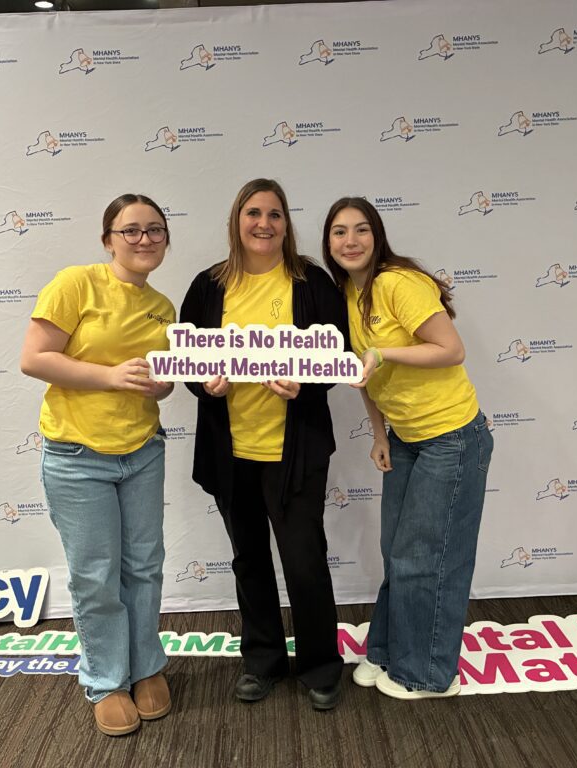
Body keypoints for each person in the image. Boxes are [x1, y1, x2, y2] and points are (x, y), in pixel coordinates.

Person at [180, 178, 347, 710]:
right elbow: (189, 360)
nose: (264, 223)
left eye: (275, 214)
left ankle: (320, 665)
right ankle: (262, 660)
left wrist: (306, 384)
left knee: (304, 561)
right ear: (237, 220)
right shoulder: (208, 286)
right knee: (249, 560)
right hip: (231, 452)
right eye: (253, 213)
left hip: (294, 452)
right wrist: (205, 384)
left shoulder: (311, 281)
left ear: (286, 224)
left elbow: (337, 355)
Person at [321, 197, 493, 699]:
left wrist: (383, 351)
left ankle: (429, 675)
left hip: (451, 437)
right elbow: (364, 375)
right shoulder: (348, 294)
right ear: (328, 243)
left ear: (377, 235)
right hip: (405, 438)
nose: (350, 241)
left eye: (361, 230)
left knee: (428, 557)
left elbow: (451, 349)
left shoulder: (398, 282)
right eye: (339, 232)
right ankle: (387, 650)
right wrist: (380, 434)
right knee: (397, 552)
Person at [19, 194, 175, 735]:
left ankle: (146, 667)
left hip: (143, 451)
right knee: (96, 576)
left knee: (145, 566)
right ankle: (107, 680)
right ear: (108, 239)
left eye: (155, 229)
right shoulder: (75, 284)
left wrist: (162, 384)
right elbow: (33, 358)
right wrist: (109, 376)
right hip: (77, 457)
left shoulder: (164, 307)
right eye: (131, 230)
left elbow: (161, 382)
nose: (144, 239)